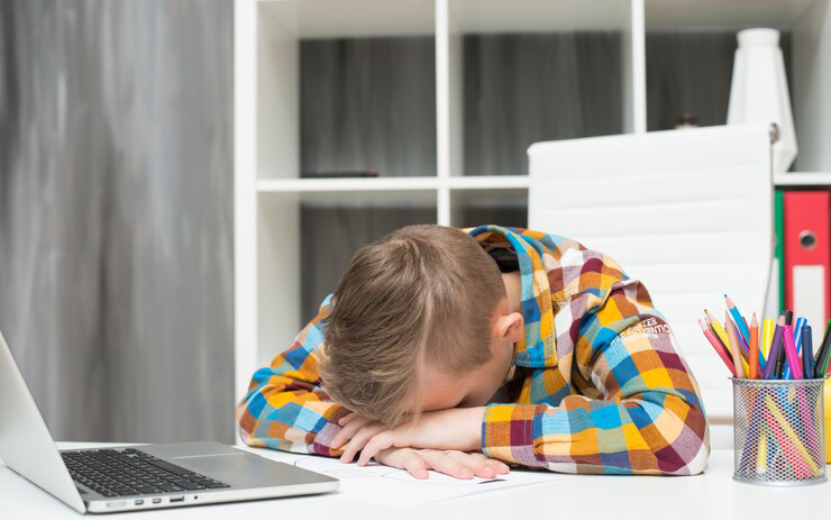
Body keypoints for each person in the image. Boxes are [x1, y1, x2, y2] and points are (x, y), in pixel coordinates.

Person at [237, 225, 709, 479]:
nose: (414, 430)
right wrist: (382, 444)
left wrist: (469, 425)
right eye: (403, 418)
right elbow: (258, 403)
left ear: (508, 333)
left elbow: (677, 430)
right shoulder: (383, 295)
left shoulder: (592, 296)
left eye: (450, 404)